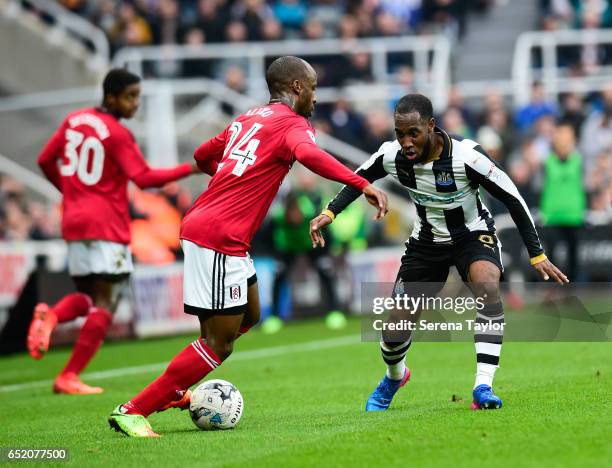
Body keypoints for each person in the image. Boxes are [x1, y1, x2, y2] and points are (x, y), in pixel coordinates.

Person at [108, 56, 388, 437]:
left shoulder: (247, 118)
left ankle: (175, 385)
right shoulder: (294, 125)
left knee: (249, 316)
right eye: (314, 89)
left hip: (219, 232)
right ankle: (133, 409)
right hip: (218, 235)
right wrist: (362, 184)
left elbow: (203, 155)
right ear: (297, 88)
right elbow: (308, 155)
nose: (316, 98)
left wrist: (231, 177)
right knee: (219, 344)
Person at [310, 94, 568, 412]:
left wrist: (537, 253)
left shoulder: (467, 156)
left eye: (413, 133)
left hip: (473, 235)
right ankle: (394, 377)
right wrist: (329, 213)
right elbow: (356, 179)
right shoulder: (391, 156)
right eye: (399, 133)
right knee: (394, 329)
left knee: (487, 287)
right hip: (426, 242)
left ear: (431, 126)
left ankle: (483, 386)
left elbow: (513, 197)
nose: (405, 141)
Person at [27, 69, 198, 395]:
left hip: (75, 220)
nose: (135, 104)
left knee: (90, 297)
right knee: (108, 302)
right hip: (106, 224)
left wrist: (71, 191)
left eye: (137, 97)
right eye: (130, 96)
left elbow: (45, 159)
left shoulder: (74, 120)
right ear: (110, 97)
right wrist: (191, 167)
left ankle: (50, 317)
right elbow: (144, 178)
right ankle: (69, 375)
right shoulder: (116, 133)